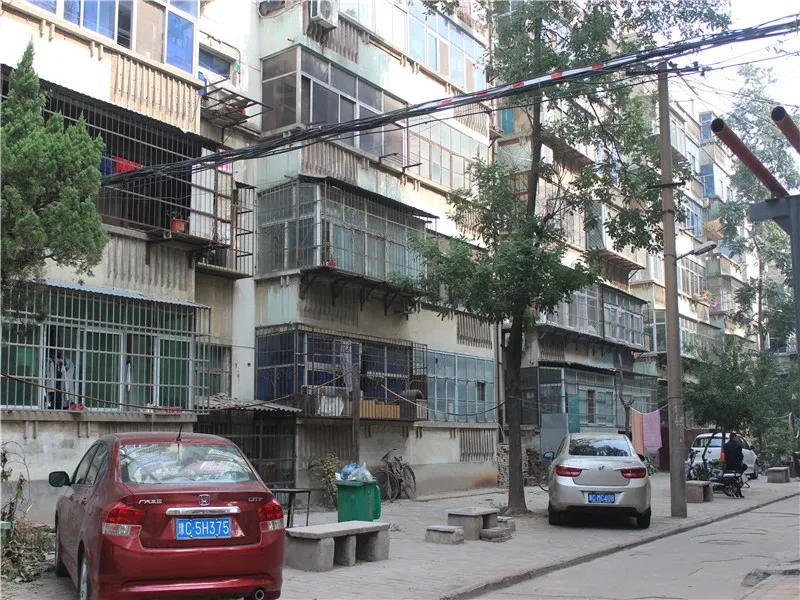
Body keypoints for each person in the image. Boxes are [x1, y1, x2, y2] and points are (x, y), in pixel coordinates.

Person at [723, 433, 746, 498]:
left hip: (728, 465)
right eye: (736, 437)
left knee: (736, 476)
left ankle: (736, 490)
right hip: (736, 466)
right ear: (734, 438)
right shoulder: (737, 446)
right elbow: (741, 457)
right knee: (743, 468)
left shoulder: (726, 446)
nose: (737, 439)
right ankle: (738, 491)